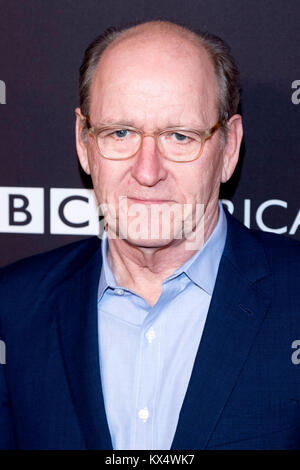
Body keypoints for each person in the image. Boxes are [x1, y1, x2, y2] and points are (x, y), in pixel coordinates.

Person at [0, 19, 300, 450]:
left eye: (180, 136)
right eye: (120, 132)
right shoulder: (13, 309)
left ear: (229, 147)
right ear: (84, 143)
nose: (147, 172)